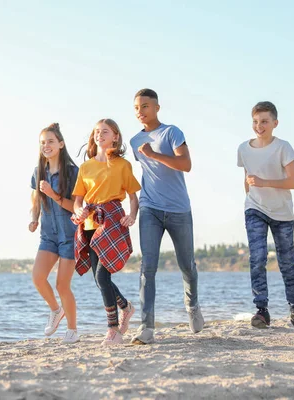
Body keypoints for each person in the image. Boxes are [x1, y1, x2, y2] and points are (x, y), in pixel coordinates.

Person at [129, 88, 204, 345]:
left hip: (178, 209)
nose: (141, 111)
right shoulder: (133, 141)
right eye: (137, 107)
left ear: (157, 107)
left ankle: (192, 305)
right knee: (147, 267)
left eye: (146, 106)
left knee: (187, 265)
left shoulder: (172, 132)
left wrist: (153, 155)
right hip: (149, 208)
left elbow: (186, 165)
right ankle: (146, 327)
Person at [237, 101, 294, 345]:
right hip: (254, 209)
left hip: (282, 214)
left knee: (287, 264)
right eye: (256, 122)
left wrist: (264, 182)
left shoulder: (283, 148)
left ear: (275, 123)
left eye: (265, 121)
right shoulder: (243, 149)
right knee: (257, 258)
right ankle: (262, 310)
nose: (259, 126)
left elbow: (293, 182)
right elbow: (246, 180)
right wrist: (250, 196)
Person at [72, 118, 141, 345]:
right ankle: (126, 307)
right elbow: (78, 200)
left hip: (112, 220)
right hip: (91, 224)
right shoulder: (86, 167)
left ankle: (113, 330)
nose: (99, 135)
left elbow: (132, 195)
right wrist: (79, 211)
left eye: (105, 131)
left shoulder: (122, 165)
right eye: (97, 132)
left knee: (103, 275)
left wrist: (132, 215)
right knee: (98, 278)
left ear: (115, 136)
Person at [29, 123, 80, 344]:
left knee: (62, 285)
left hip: (69, 235)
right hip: (48, 235)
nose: (46, 146)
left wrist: (54, 194)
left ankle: (72, 330)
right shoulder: (38, 172)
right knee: (38, 278)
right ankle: (55, 310)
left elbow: (76, 207)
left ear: (61, 144)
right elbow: (35, 200)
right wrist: (33, 218)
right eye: (42, 143)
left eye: (50, 141)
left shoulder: (72, 172)